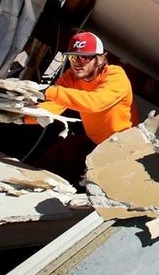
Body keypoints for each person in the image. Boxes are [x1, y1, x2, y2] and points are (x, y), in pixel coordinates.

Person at [33, 31, 137, 183]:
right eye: (73, 57)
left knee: (98, 182)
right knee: (59, 152)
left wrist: (47, 91)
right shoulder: (71, 76)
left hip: (123, 148)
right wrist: (20, 116)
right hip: (93, 141)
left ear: (101, 58)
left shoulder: (115, 75)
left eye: (86, 57)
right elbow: (53, 105)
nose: (78, 62)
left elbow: (95, 103)